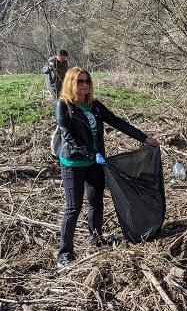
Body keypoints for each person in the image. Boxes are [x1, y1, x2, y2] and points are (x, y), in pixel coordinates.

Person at [54, 67, 160, 267]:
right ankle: (65, 252)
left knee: (96, 202)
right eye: (80, 81)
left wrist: (144, 138)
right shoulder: (63, 106)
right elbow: (69, 137)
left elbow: (118, 122)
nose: (85, 85)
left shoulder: (93, 105)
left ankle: (96, 238)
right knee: (73, 208)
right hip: (74, 163)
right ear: (71, 83)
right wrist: (93, 154)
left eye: (87, 81)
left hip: (95, 162)